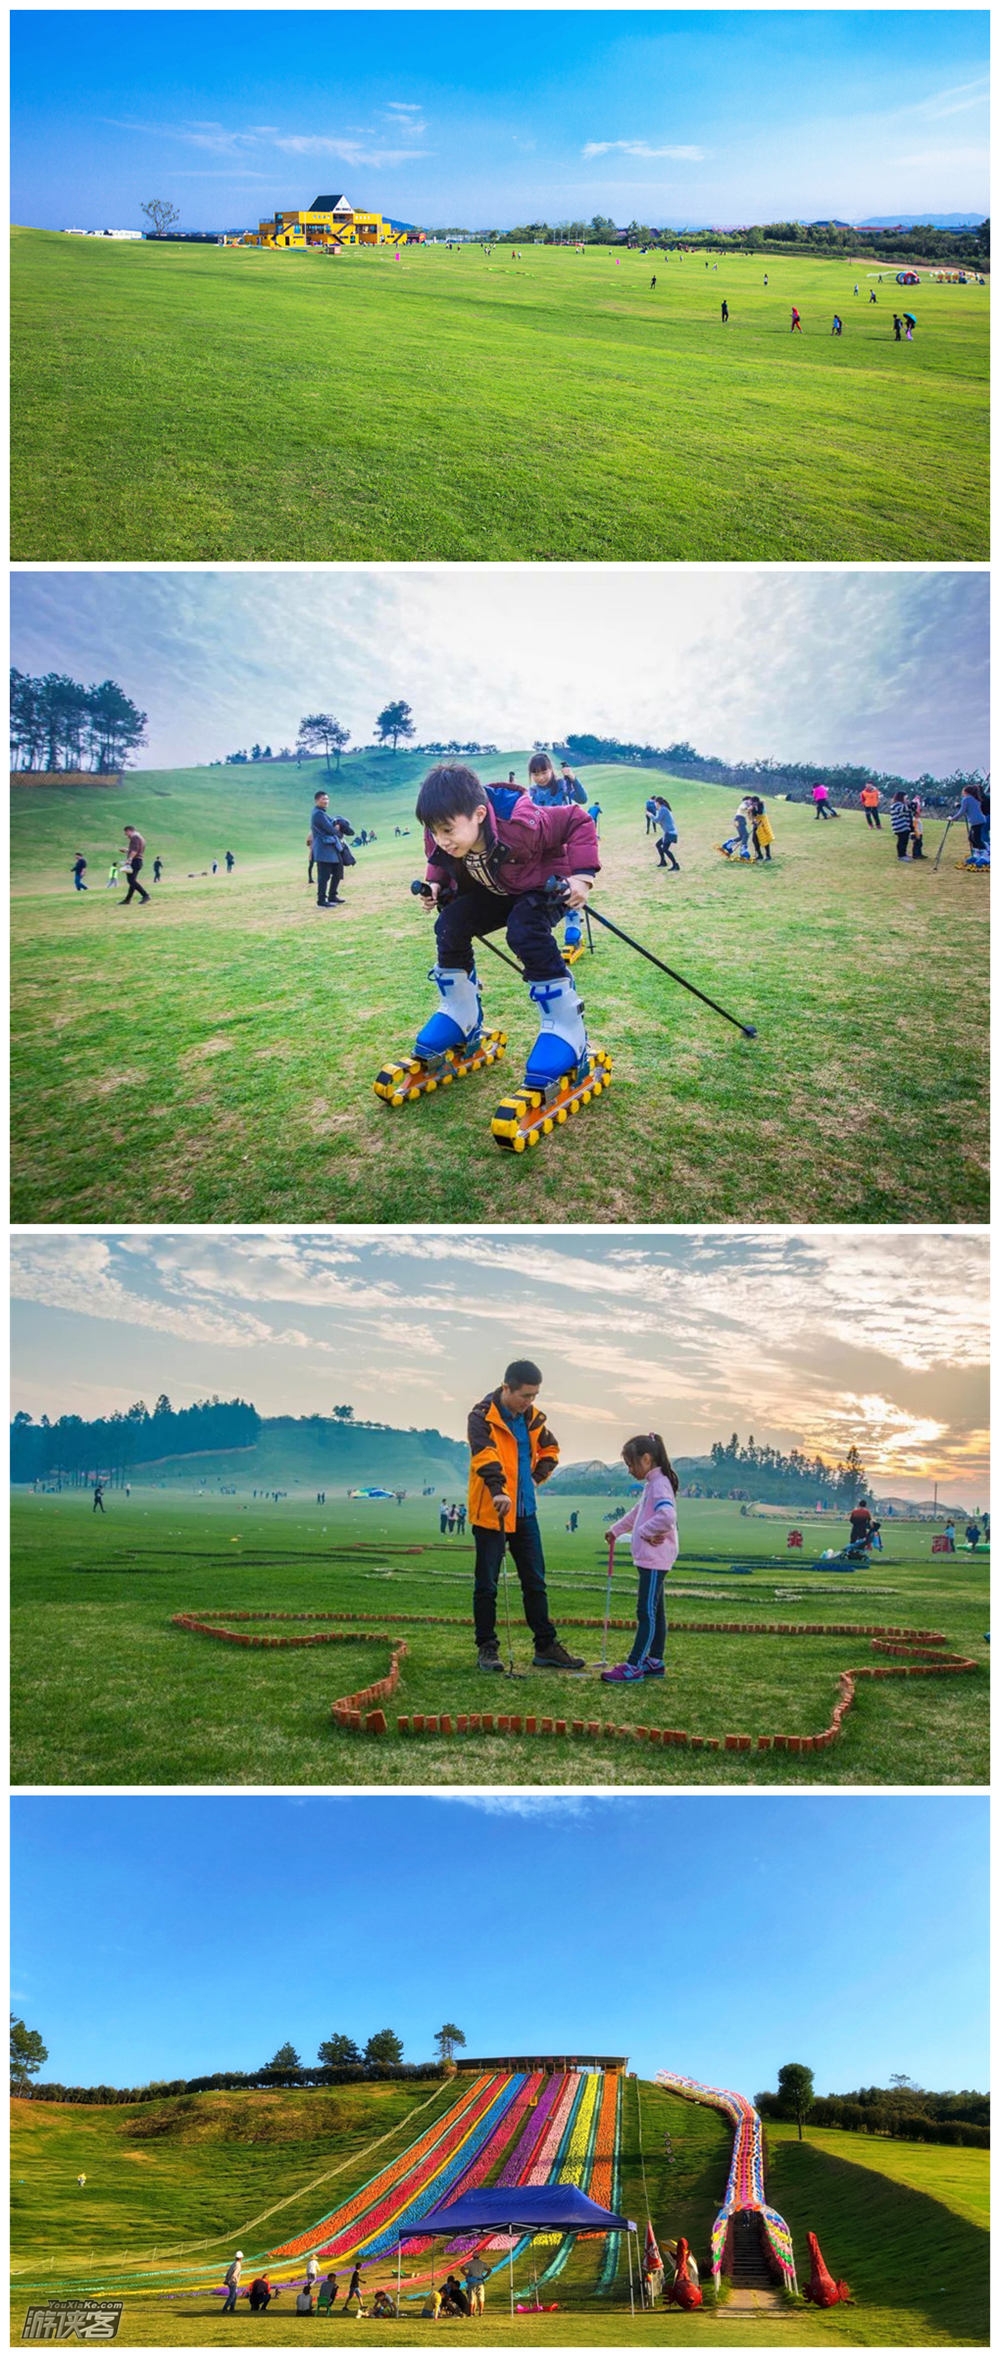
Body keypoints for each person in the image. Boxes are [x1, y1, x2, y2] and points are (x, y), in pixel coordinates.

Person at [413, 764, 600, 1091]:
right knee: (450, 923)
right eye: (433, 831)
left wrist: (582, 877)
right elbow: (438, 860)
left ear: (480, 814)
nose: (440, 839)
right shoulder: (441, 837)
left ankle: (567, 1029)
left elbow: (576, 819)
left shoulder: (521, 821)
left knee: (524, 928)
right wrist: (436, 886)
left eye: (447, 830)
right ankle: (460, 1013)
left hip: (545, 885)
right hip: (497, 891)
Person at [467, 1359, 584, 1672]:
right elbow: (484, 1455)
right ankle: (487, 1649)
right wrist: (498, 1490)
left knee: (535, 1581)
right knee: (487, 1585)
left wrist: (534, 1479)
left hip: (525, 1513)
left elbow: (551, 1450)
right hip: (493, 1511)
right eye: (525, 1395)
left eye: (535, 1396)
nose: (530, 1402)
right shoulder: (482, 1417)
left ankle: (545, 1646)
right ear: (507, 1387)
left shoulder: (533, 1419)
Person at [601, 1433, 680, 1683]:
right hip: (653, 1559)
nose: (629, 1470)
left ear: (647, 1459)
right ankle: (654, 1661)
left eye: (631, 1464)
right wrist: (616, 1530)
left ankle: (634, 1664)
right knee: (656, 1611)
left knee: (645, 1612)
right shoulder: (652, 1484)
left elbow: (667, 1516)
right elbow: (638, 1513)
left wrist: (645, 1532)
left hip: (655, 1560)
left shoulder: (659, 1485)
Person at [311, 789, 345, 907]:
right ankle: (321, 900)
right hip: (323, 849)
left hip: (330, 848)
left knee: (337, 872)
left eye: (327, 799)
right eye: (323, 799)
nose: (326, 801)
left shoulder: (322, 813)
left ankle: (332, 895)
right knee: (324, 876)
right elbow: (329, 828)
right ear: (317, 801)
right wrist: (338, 832)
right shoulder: (318, 814)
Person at [119, 825, 150, 904]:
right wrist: (127, 851)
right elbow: (137, 850)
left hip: (135, 861)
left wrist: (129, 859)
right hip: (138, 860)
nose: (125, 834)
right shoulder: (140, 837)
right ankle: (127, 899)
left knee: (131, 881)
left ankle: (145, 895)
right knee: (132, 881)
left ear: (129, 830)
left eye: (126, 832)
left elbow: (135, 850)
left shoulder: (134, 837)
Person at [653, 797, 679, 871]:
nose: (655, 804)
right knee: (658, 845)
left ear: (658, 803)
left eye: (655, 803)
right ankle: (663, 862)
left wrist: (650, 815)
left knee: (665, 849)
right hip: (668, 832)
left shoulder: (663, 809)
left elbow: (657, 820)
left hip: (670, 833)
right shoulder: (662, 809)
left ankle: (675, 865)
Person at [748, 796, 774, 862]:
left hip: (763, 824)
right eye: (751, 803)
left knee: (764, 839)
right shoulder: (753, 807)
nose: (752, 805)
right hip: (756, 824)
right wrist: (753, 820)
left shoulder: (761, 805)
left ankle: (768, 856)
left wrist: (753, 808)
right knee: (754, 840)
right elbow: (753, 816)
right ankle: (759, 855)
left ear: (756, 802)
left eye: (753, 803)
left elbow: (760, 813)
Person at [889, 789, 912, 859]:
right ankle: (901, 855)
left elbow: (909, 811)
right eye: (906, 798)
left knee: (905, 841)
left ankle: (904, 853)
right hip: (899, 826)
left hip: (905, 826)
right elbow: (903, 809)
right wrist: (908, 804)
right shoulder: (896, 805)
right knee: (901, 841)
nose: (907, 799)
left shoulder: (902, 804)